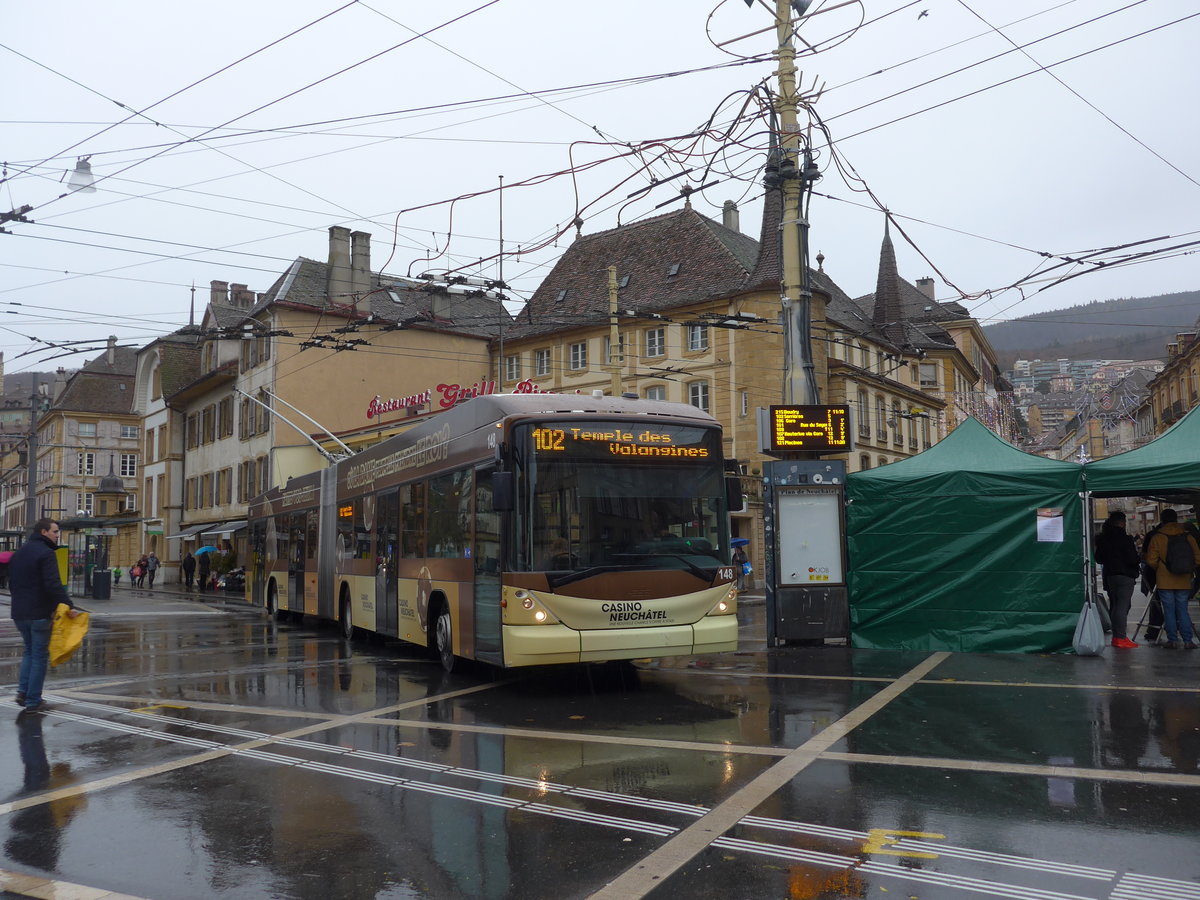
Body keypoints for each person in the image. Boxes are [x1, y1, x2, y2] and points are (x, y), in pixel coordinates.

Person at [8, 518, 80, 713]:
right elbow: (53, 584)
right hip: (39, 613)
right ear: (44, 532)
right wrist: (69, 605)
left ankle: (23, 692)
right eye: (55, 532)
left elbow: (11, 583)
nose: (58, 535)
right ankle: (33, 700)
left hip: (19, 612)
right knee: (39, 655)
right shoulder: (46, 554)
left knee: (29, 652)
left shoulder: (19, 553)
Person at [1144, 508, 1200, 649]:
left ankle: (1172, 639)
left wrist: (1161, 568)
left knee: (1169, 610)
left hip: (1164, 580)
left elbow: (1151, 560)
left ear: (1162, 520)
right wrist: (1189, 568)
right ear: (1176, 519)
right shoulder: (1188, 536)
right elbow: (1198, 558)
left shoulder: (1158, 537)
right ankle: (1188, 640)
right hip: (1184, 579)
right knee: (1182, 609)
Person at [1094, 511, 1140, 648]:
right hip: (1125, 575)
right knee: (1122, 606)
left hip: (1110, 575)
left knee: (1115, 605)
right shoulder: (1125, 538)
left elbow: (1099, 558)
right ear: (1121, 522)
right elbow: (1132, 558)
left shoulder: (1104, 539)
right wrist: (1138, 558)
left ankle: (1117, 636)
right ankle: (1120, 637)